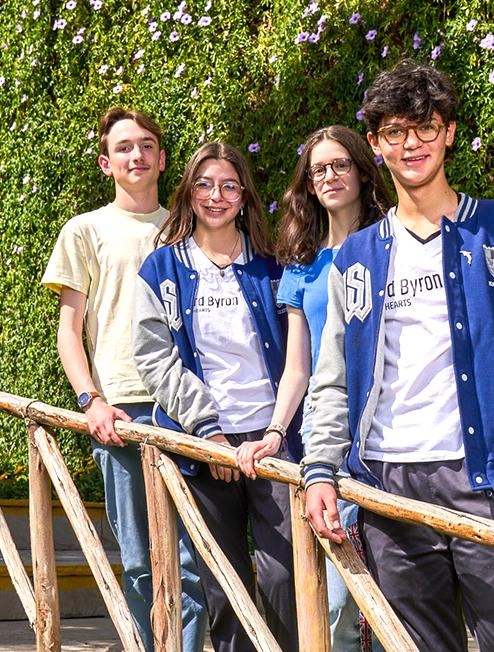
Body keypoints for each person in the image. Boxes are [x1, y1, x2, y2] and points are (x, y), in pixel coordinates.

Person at [299, 61, 494, 652]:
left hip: (486, 480)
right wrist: (319, 467)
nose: (412, 144)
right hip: (388, 485)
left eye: (426, 127)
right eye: (395, 131)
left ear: (449, 132)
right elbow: (333, 379)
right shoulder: (356, 257)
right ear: (376, 144)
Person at [41, 107, 207, 652]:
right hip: (119, 412)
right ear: (105, 163)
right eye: (123, 147)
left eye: (146, 145)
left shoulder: (188, 228)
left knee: (192, 558)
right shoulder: (84, 230)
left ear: (163, 158)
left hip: (185, 408)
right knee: (139, 561)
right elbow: (69, 331)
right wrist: (90, 400)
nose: (136, 155)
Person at [132, 142, 301, 652]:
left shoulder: (273, 266)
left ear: (245, 196)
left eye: (229, 186)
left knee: (285, 577)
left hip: (273, 440)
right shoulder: (162, 270)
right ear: (188, 192)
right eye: (204, 184)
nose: (216, 196)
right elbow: (154, 360)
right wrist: (208, 430)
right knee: (224, 585)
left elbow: (300, 353)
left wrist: (276, 431)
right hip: (202, 442)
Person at [235, 125, 390, 651]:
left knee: (399, 590)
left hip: (393, 433)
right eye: (318, 169)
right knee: (342, 599)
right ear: (307, 183)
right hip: (330, 440)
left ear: (363, 171)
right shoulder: (302, 265)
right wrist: (276, 431)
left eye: (340, 164)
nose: (329, 176)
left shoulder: (392, 242)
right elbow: (297, 367)